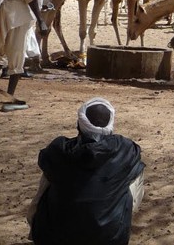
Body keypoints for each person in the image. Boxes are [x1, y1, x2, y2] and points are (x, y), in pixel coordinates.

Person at [27, 98, 146, 245]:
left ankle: (36, 231)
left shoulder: (59, 150)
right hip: (110, 239)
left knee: (50, 174)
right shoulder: (126, 150)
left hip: (55, 238)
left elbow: (46, 162)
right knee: (135, 170)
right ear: (111, 125)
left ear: (78, 124)